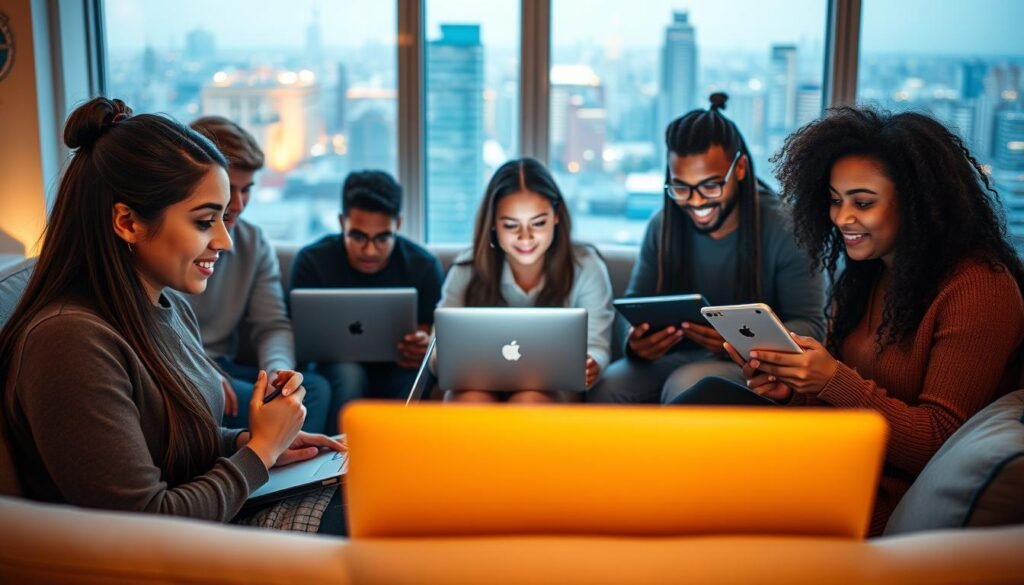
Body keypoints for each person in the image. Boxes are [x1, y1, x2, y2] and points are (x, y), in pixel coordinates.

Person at [676, 106, 1024, 536]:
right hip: (838, 454)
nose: (842, 218)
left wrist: (831, 379)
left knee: (699, 443)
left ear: (916, 203)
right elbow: (838, 405)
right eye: (836, 201)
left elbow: (938, 440)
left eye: (863, 202)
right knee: (705, 400)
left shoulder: (978, 288)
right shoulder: (867, 276)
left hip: (870, 490)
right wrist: (793, 391)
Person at [0, 98, 345, 531]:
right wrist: (259, 453)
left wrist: (252, 441)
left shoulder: (169, 307)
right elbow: (143, 523)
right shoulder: (68, 342)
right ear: (127, 222)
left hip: (215, 516)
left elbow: (167, 444)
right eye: (205, 222)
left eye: (224, 219)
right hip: (177, 549)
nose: (224, 241)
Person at [589, 93, 826, 404]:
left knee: (686, 383)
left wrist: (739, 340)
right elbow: (633, 305)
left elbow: (810, 324)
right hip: (679, 355)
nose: (696, 201)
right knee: (609, 386)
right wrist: (634, 341)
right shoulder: (663, 225)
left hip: (749, 365)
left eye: (710, 185)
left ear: (740, 169)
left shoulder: (786, 226)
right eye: (681, 187)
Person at [186, 116, 331, 434]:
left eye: (247, 190)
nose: (237, 204)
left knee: (313, 390)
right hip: (180, 367)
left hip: (224, 365)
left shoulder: (253, 242)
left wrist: (277, 373)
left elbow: (272, 324)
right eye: (229, 189)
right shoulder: (171, 242)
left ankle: (296, 480)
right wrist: (198, 371)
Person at [437, 157, 614, 403]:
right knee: (470, 399)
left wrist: (591, 364)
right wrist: (441, 359)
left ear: (557, 216)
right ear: (494, 225)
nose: (525, 237)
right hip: (477, 384)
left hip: (553, 389)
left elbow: (597, 345)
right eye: (511, 225)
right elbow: (438, 349)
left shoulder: (586, 266)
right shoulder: (467, 267)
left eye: (538, 223)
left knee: (530, 399)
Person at [290, 171, 444, 428]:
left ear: (398, 225)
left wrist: (423, 345)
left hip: (399, 370)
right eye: (358, 237)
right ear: (342, 223)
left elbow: (433, 335)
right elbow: (299, 338)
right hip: (336, 372)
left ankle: (397, 460)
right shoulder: (312, 261)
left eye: (382, 238)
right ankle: (340, 463)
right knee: (347, 372)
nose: (370, 250)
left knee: (414, 375)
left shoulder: (423, 265)